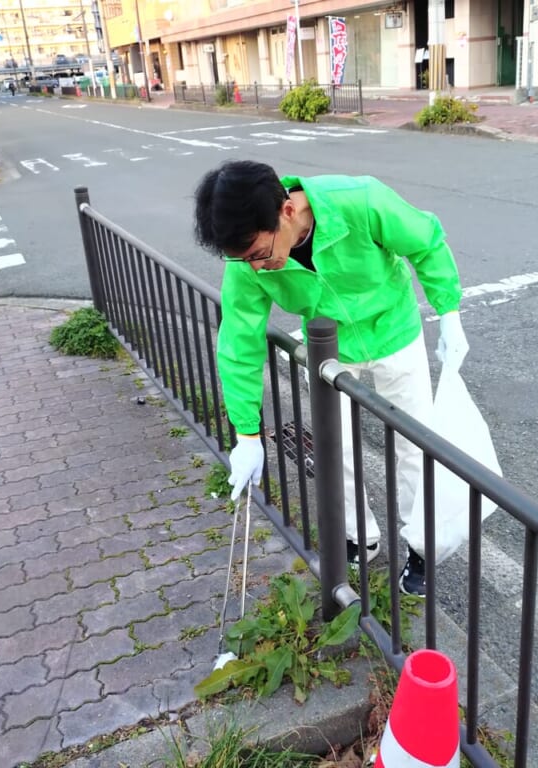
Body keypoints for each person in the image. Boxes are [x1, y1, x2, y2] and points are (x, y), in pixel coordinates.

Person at [193, 160, 469, 597]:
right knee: (334, 446)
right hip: (329, 348)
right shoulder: (247, 261)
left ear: (287, 211)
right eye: (244, 260)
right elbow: (239, 342)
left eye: (260, 254)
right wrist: (246, 433)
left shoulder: (360, 200)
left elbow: (425, 241)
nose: (257, 268)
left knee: (414, 445)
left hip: (393, 331)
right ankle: (360, 535)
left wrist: (448, 310)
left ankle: (422, 546)